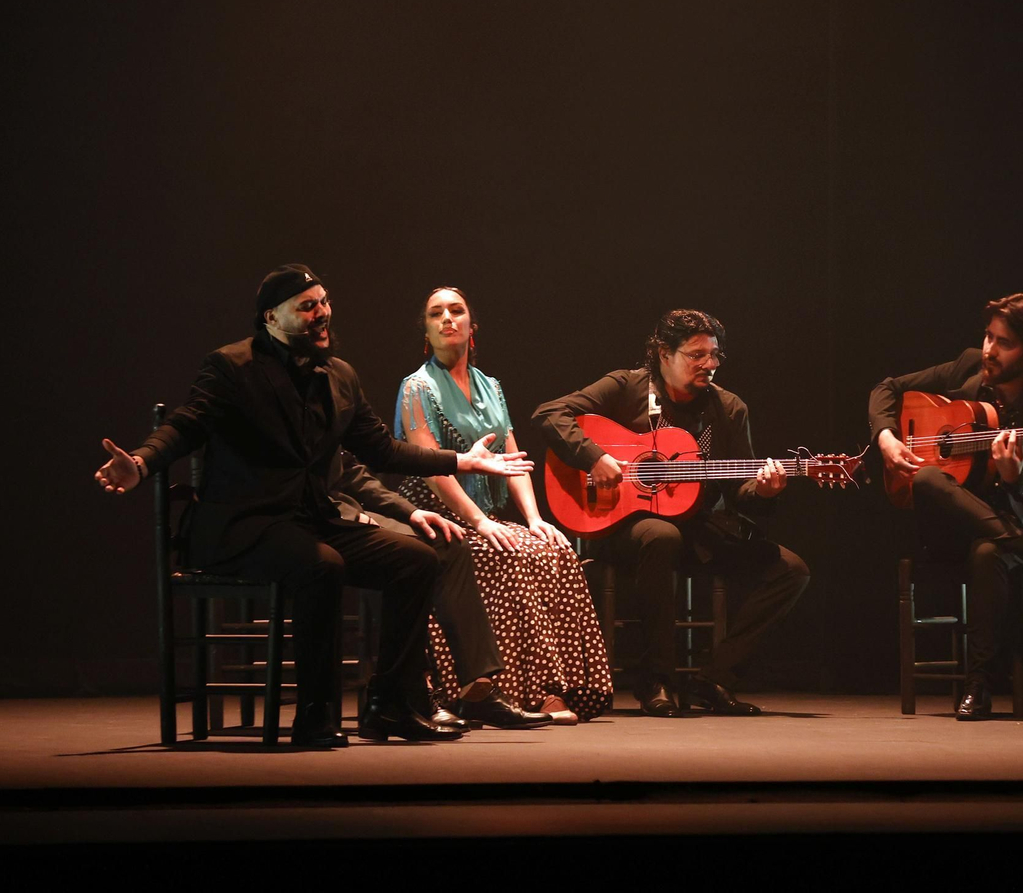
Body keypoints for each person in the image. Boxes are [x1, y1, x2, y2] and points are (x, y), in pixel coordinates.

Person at [93, 264, 532, 746]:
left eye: (323, 302)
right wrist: (141, 463)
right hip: (244, 527)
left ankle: (390, 704)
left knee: (418, 559)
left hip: (312, 521)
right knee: (322, 565)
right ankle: (314, 715)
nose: (321, 313)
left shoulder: (338, 375)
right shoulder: (232, 367)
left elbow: (381, 450)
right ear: (271, 318)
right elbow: (185, 425)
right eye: (307, 307)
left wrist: (462, 461)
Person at [533, 309, 808, 718]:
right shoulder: (626, 386)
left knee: (791, 570)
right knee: (661, 535)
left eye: (714, 355)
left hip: (697, 529)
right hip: (622, 528)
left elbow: (739, 491)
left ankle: (715, 678)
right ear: (664, 353)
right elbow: (549, 413)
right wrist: (594, 457)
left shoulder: (728, 409)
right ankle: (656, 680)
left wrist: (764, 491)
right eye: (697, 355)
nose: (709, 364)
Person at [394, 287, 613, 724]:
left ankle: (550, 688)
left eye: (456, 310)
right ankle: (486, 689)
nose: (447, 318)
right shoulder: (417, 387)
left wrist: (534, 518)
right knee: (503, 554)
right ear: (426, 332)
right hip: (435, 512)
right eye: (436, 314)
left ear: (472, 327)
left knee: (553, 549)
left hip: (484, 516)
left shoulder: (491, 387)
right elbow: (432, 470)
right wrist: (479, 521)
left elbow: (515, 461)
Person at [869, 293, 1023, 720]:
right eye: (988, 337)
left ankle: (978, 684)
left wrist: (1016, 479)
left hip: (1008, 534)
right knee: (927, 478)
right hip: (953, 533)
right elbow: (886, 388)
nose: (989, 350)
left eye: (1004, 343)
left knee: (987, 552)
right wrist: (887, 438)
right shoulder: (967, 367)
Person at [326, 449, 552, 730]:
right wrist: (349, 515)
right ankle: (413, 691)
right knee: (403, 555)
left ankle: (477, 690)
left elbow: (352, 470)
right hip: (313, 518)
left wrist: (411, 511)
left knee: (450, 542)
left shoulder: (338, 419)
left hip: (349, 512)